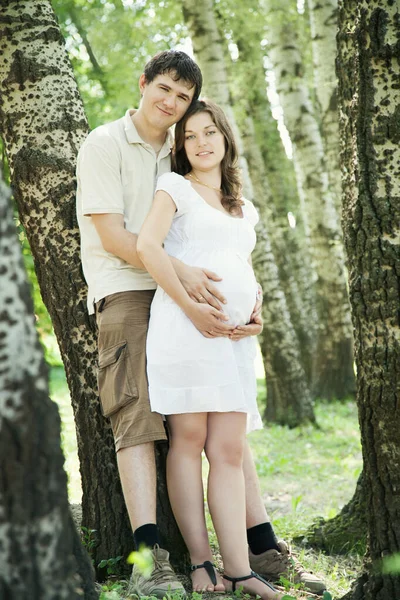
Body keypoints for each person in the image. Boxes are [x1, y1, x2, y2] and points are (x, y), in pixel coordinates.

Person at [76, 50, 325, 597]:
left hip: (194, 304)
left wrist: (245, 302)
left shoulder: (181, 145)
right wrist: (185, 281)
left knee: (226, 431)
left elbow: (220, 239)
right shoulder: (106, 144)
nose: (171, 103)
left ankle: (257, 546)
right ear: (142, 84)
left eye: (182, 98)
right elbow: (118, 239)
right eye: (163, 89)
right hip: (129, 288)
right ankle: (152, 556)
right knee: (139, 420)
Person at [137, 98, 283, 600]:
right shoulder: (174, 188)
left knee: (227, 450)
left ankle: (240, 570)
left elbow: (237, 262)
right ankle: (201, 563)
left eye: (208, 133)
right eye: (190, 136)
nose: (200, 143)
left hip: (233, 342)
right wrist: (194, 308)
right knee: (190, 441)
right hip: (184, 327)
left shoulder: (244, 207)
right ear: (180, 148)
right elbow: (148, 248)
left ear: (226, 138)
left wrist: (255, 306)